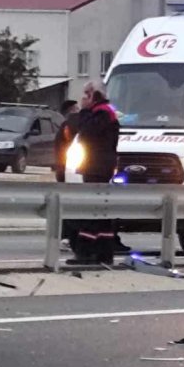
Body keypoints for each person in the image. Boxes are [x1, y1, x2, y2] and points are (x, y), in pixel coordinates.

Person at [72, 84, 121, 264]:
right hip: (98, 166)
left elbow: (86, 134)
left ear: (95, 96)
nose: (83, 98)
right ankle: (103, 253)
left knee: (92, 210)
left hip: (97, 168)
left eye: (87, 95)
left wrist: (84, 112)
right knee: (100, 211)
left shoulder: (102, 113)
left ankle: (86, 253)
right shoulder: (105, 112)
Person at [53, 100, 79, 183]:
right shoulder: (67, 127)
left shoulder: (64, 126)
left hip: (63, 166)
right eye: (77, 109)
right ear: (71, 111)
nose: (79, 111)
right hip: (66, 166)